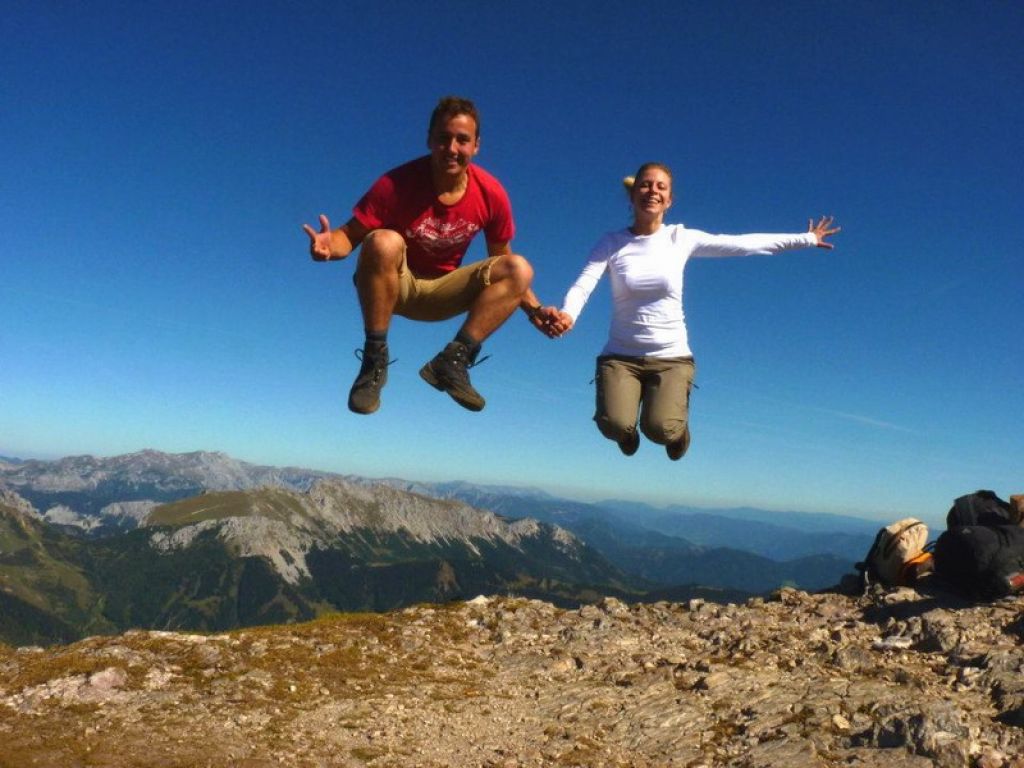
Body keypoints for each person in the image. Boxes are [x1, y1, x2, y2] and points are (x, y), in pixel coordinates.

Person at [540, 162, 840, 460]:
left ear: (669, 201)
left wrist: (806, 239)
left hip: (671, 357)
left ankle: (678, 432)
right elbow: (584, 283)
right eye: (645, 185)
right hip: (620, 356)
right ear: (632, 195)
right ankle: (625, 432)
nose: (652, 191)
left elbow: (742, 245)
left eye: (661, 187)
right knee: (614, 425)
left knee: (660, 429)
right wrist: (568, 314)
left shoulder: (680, 239)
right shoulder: (612, 243)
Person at [303, 96, 559, 414]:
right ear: (429, 140)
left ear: (476, 145)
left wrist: (535, 311)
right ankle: (374, 359)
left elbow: (501, 257)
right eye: (443, 138)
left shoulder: (491, 194)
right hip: (396, 287)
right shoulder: (395, 184)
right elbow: (349, 235)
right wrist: (329, 246)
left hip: (444, 293)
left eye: (462, 140)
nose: (451, 148)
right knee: (383, 241)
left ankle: (452, 362)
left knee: (519, 267)